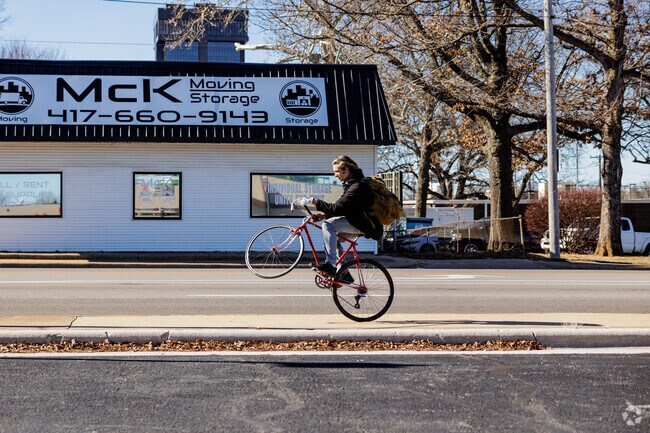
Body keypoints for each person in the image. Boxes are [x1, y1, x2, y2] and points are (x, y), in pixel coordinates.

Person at [298, 155, 382, 278]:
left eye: (337, 171)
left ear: (346, 170)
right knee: (333, 239)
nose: (335, 175)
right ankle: (344, 274)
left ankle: (331, 265)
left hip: (365, 225)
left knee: (328, 225)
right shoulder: (352, 184)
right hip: (359, 222)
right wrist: (324, 215)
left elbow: (338, 208)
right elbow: (345, 208)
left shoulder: (357, 187)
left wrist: (315, 201)